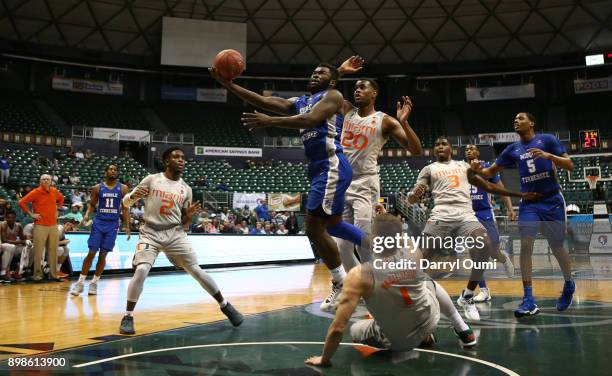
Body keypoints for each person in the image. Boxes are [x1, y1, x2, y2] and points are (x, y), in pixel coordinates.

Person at [211, 62, 371, 312]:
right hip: (319, 167)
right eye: (313, 71)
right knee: (334, 225)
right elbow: (263, 101)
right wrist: (228, 84)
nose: (314, 73)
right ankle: (383, 246)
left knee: (313, 228)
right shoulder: (299, 100)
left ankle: (341, 282)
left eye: (321, 72)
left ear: (332, 81)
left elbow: (312, 119)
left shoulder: (333, 96)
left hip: (332, 164)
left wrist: (269, 121)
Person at [304, 207, 477, 368]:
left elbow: (338, 328)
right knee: (428, 282)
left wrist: (324, 359)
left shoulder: (359, 275)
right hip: (429, 321)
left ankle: (418, 336)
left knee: (356, 330)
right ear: (399, 235)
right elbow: (397, 237)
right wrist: (388, 221)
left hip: (397, 341)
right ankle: (461, 327)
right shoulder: (413, 251)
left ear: (373, 238)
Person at [407, 136, 539, 320]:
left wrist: (519, 194)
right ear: (433, 151)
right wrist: (413, 196)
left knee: (484, 245)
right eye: (436, 145)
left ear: (451, 149)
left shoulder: (464, 166)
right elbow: (413, 195)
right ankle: (414, 298)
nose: (440, 147)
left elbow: (488, 186)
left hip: (466, 215)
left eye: (444, 144)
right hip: (440, 216)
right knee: (421, 257)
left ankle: (468, 295)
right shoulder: (429, 169)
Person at [118, 146, 243, 334]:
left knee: (196, 270)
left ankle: (225, 306)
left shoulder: (186, 189)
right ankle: (128, 316)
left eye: (183, 158)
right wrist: (132, 196)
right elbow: (126, 202)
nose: (181, 160)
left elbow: (184, 221)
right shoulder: (152, 180)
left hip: (175, 233)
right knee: (142, 269)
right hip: (150, 232)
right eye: (176, 157)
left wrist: (189, 216)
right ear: (167, 161)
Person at [470, 112, 575, 317]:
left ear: (532, 123)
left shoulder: (548, 140)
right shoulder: (512, 149)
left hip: (552, 200)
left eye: (521, 118)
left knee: (557, 246)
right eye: (515, 119)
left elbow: (570, 164)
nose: (516, 121)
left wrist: (550, 156)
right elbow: (490, 172)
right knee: (526, 245)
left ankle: (569, 284)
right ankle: (528, 299)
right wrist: (477, 170)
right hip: (529, 202)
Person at [333, 56, 422, 272]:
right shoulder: (345, 109)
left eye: (363, 87)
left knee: (364, 243)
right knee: (341, 247)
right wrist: (340, 72)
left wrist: (405, 122)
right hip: (341, 182)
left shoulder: (385, 120)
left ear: (374, 93)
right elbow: (323, 93)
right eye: (355, 87)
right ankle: (356, 285)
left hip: (365, 183)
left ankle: (377, 287)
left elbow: (416, 150)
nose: (357, 90)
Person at [465, 144, 516, 303]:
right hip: (468, 216)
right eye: (466, 149)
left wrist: (510, 209)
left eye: (472, 148)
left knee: (492, 248)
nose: (469, 150)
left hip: (485, 212)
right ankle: (484, 290)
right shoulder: (460, 170)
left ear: (478, 152)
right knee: (475, 253)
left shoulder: (487, 168)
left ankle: (502, 258)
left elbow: (500, 189)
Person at [70, 164, 131, 296]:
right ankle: (80, 283)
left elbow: (125, 208)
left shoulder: (123, 188)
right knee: (91, 252)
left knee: (103, 255)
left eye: (115, 169)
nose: (113, 171)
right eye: (110, 169)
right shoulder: (97, 188)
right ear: (106, 172)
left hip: (112, 225)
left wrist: (127, 226)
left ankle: (94, 283)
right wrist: (86, 215)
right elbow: (92, 204)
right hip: (98, 223)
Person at [18, 174, 65, 282]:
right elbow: (21, 202)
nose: (46, 181)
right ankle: (37, 276)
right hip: (40, 225)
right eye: (43, 179)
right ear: (40, 181)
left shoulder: (54, 190)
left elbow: (61, 199)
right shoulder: (35, 192)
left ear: (51, 181)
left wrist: (57, 210)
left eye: (48, 179)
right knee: (38, 252)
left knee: (53, 251)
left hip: (53, 225)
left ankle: (53, 275)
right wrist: (31, 214)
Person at [0, 211, 27, 282]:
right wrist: (20, 242)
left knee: (29, 248)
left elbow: (23, 238)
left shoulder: (18, 226)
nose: (11, 219)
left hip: (14, 246)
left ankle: (19, 271)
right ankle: (4, 272)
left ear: (15, 218)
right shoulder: (3, 225)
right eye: (9, 218)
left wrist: (29, 240)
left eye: (13, 218)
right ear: (6, 218)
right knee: (10, 247)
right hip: (3, 246)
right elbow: (3, 240)